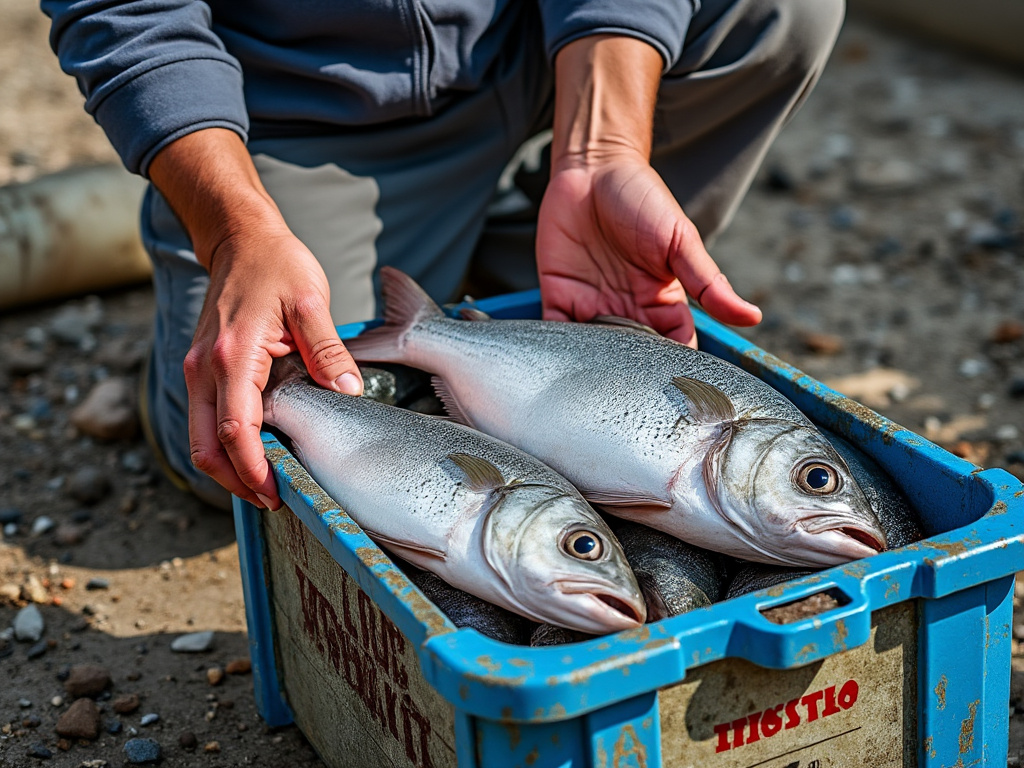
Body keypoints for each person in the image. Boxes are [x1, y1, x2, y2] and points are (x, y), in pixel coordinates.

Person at [42, 0, 844, 511]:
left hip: (538, 43)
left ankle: (510, 301)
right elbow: (123, 9)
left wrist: (602, 147)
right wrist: (235, 232)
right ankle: (460, 308)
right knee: (242, 442)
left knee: (780, 9)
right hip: (303, 110)